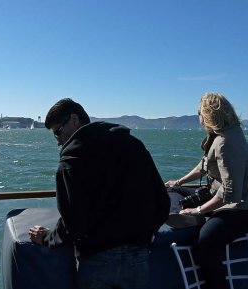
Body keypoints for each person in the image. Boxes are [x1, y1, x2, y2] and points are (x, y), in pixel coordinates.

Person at [29, 98, 170, 289]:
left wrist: (47, 237)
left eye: (58, 132)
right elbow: (162, 202)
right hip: (138, 258)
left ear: (74, 120)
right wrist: (145, 237)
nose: (58, 141)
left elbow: (74, 224)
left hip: (97, 262)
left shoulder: (71, 163)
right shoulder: (133, 146)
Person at [165, 93, 248, 289]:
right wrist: (178, 181)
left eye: (199, 113)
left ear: (207, 115)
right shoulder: (224, 134)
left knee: (206, 241)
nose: (199, 118)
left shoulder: (226, 143)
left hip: (246, 209)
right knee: (178, 193)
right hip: (232, 199)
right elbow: (204, 166)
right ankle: (195, 216)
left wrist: (198, 210)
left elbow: (230, 192)